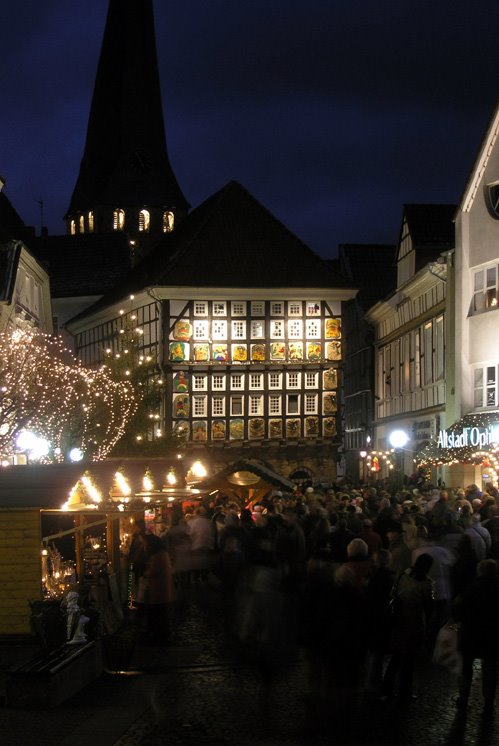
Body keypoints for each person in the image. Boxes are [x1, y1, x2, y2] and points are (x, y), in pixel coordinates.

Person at [381, 553, 434, 701]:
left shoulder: (402, 576)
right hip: (414, 622)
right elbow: (429, 604)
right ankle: (404, 690)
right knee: (409, 659)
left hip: (398, 620)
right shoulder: (426, 583)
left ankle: (387, 688)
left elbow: (393, 593)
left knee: (396, 657)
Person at [454, 559, 499, 717]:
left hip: (471, 634)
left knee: (466, 667)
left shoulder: (472, 588)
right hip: (492, 635)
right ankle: (488, 701)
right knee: (491, 668)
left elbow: (458, 610)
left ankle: (463, 698)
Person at [142, 533, 175, 645]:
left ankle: (160, 636)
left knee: (159, 613)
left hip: (159, 590)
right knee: (161, 613)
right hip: (163, 589)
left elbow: (153, 572)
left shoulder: (157, 556)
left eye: (145, 544)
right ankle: (161, 634)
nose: (144, 546)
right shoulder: (163, 553)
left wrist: (145, 573)